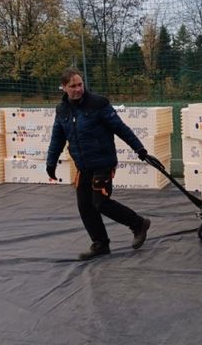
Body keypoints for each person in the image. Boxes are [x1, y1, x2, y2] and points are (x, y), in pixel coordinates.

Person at [46, 68, 151, 260]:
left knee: (100, 202)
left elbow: (121, 128)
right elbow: (57, 138)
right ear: (64, 88)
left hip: (103, 161)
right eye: (73, 86)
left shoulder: (98, 104)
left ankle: (138, 224)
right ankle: (100, 243)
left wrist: (140, 149)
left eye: (80, 84)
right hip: (83, 165)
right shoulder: (62, 110)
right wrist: (50, 163)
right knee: (84, 205)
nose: (78, 89)